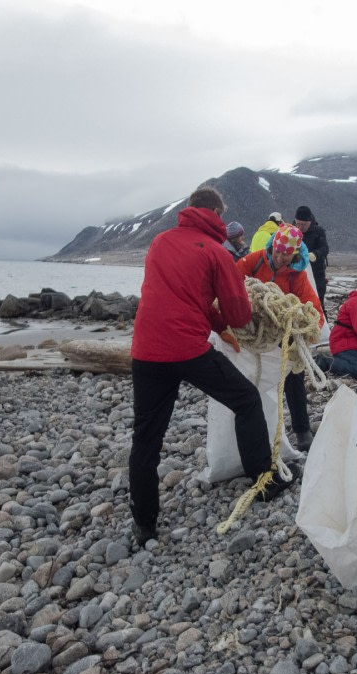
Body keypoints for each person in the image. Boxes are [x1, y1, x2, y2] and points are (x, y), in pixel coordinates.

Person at [129, 187, 294, 548]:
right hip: (188, 350)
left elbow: (183, 296)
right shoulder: (217, 252)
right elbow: (239, 312)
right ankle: (263, 481)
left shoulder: (159, 242)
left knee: (146, 437)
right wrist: (236, 322)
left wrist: (219, 328)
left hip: (145, 351)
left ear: (190, 209)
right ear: (216, 214)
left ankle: (144, 523)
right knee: (246, 400)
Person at [236, 224, 325, 451]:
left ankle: (302, 430)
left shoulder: (297, 275)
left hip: (283, 331)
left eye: (286, 254)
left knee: (293, 372)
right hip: (254, 329)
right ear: (272, 245)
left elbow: (314, 308)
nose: (279, 257)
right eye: (277, 251)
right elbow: (231, 279)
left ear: (294, 253)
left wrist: (309, 332)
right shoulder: (255, 260)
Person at [294, 206, 329, 309]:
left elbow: (325, 248)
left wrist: (315, 254)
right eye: (298, 223)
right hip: (297, 272)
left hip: (316, 273)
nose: (300, 227)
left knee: (317, 302)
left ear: (310, 222)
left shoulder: (318, 232)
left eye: (303, 225)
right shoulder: (292, 230)